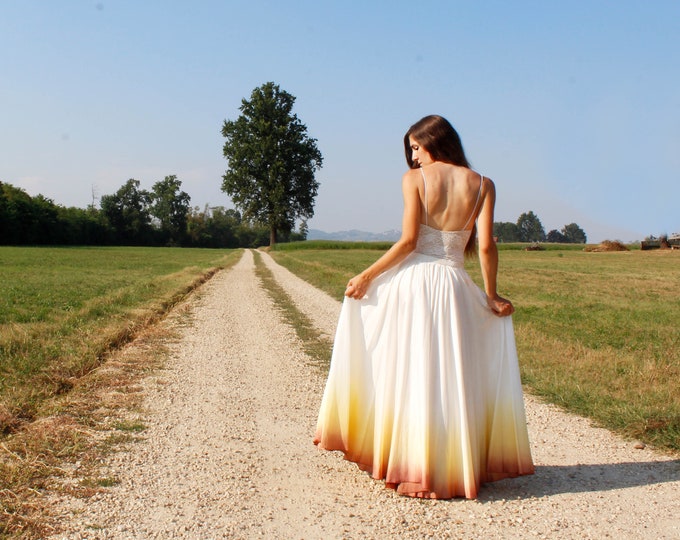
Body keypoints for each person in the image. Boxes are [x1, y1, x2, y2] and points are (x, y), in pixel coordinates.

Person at [313, 115, 534, 499]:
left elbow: (409, 242)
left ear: (435, 142)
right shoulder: (483, 184)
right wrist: (492, 294)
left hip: (414, 284)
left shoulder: (415, 181)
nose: (412, 158)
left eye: (416, 147)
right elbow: (485, 246)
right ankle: (452, 464)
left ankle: (412, 461)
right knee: (450, 373)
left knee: (408, 369)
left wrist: (366, 277)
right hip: (453, 285)